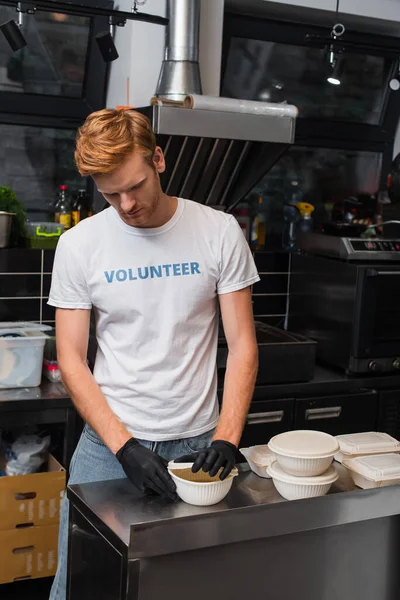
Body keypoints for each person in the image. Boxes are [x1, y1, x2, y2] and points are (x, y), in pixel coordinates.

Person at [48, 108, 260, 600]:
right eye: (109, 193)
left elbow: (244, 344)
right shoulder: (80, 245)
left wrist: (227, 439)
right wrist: (123, 446)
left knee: (187, 584)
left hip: (199, 446)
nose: (126, 205)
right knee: (82, 584)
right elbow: (72, 358)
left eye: (135, 186)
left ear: (158, 159)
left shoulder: (218, 231)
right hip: (108, 448)